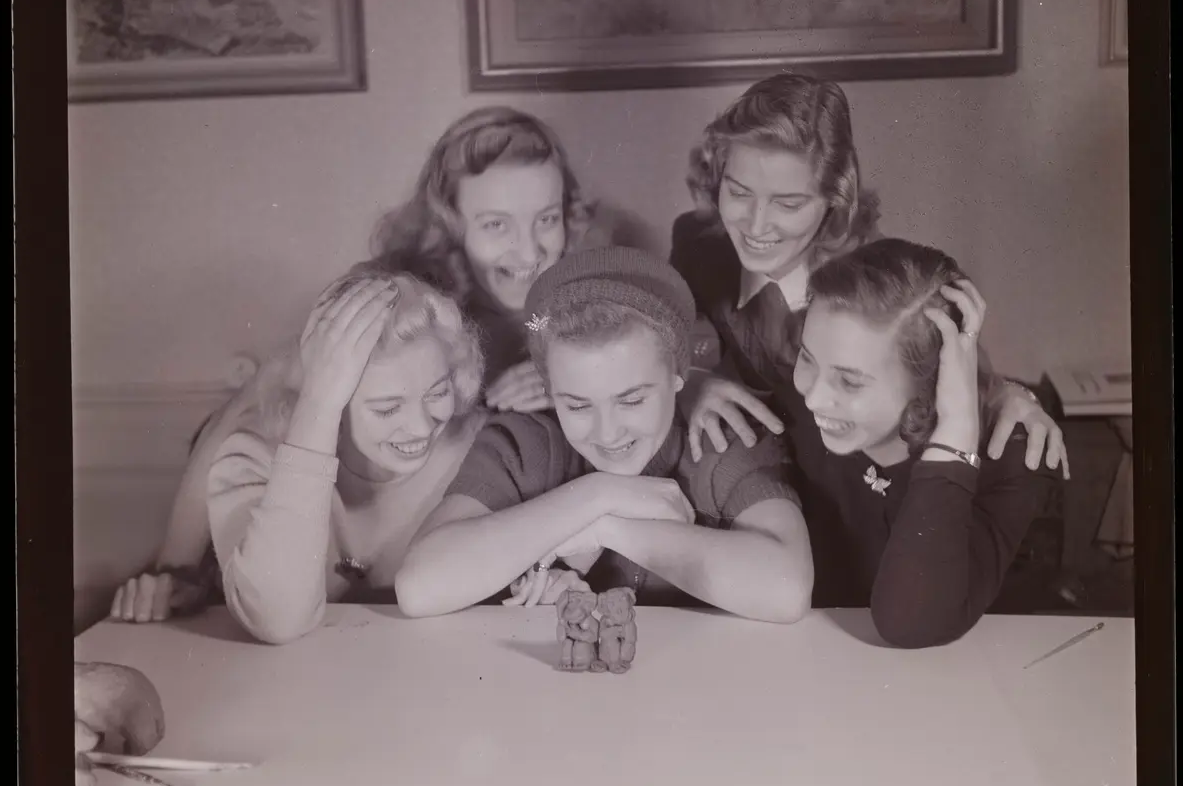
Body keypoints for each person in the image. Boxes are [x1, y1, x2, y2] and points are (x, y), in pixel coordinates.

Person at [109, 106, 643, 623]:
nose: (529, 251)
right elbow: (244, 413)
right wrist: (173, 567)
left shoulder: (588, 292)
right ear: (451, 225)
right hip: (327, 538)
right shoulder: (399, 294)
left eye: (546, 219)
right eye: (496, 225)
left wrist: (581, 386)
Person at [670, 72, 1070, 478]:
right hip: (757, 475)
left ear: (835, 197)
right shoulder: (698, 247)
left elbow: (965, 379)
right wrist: (691, 383)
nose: (755, 226)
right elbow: (661, 343)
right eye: (739, 193)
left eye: (788, 204)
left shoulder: (881, 278)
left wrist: (1010, 396)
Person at [396, 247, 813, 624]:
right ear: (549, 389)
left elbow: (787, 591)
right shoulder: (522, 444)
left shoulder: (722, 440)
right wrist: (600, 494)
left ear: (679, 376)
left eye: (632, 400)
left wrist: (603, 530)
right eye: (578, 406)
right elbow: (418, 587)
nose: (608, 432)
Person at [784, 237, 1062, 648]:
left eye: (850, 381)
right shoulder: (797, 412)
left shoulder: (1014, 453)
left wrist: (956, 432)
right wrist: (701, 385)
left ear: (930, 383)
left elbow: (910, 624)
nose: (813, 398)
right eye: (807, 358)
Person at [205, 264, 485, 644]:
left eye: (437, 393)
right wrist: (318, 402)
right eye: (388, 408)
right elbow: (276, 618)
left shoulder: (483, 450)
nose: (421, 427)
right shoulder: (249, 461)